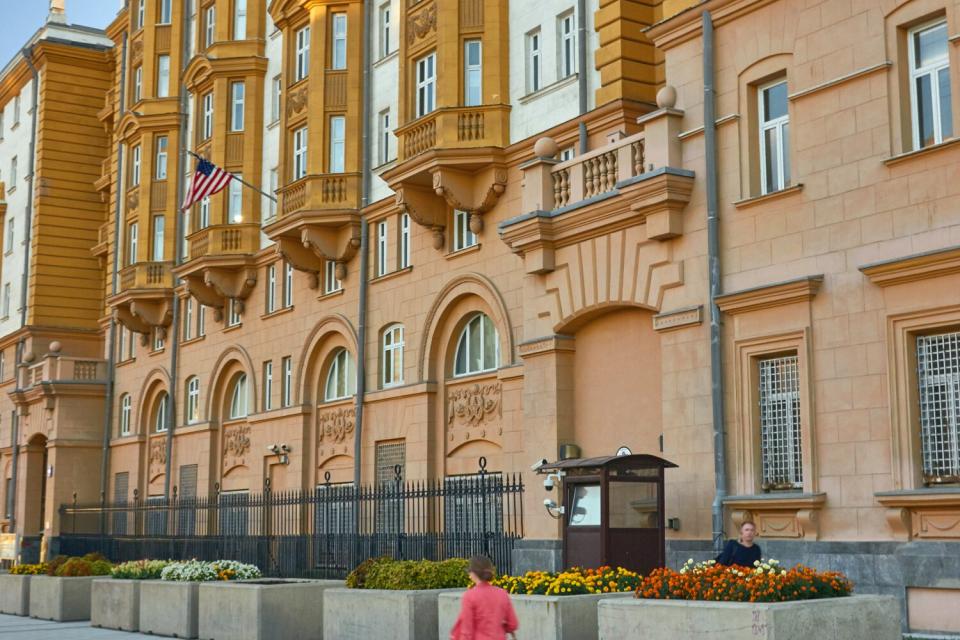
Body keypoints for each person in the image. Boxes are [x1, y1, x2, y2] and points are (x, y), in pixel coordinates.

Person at [450, 556, 518, 640]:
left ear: (473, 573)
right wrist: (498, 628)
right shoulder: (502, 593)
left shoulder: (470, 596)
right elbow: (513, 624)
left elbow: (467, 632)